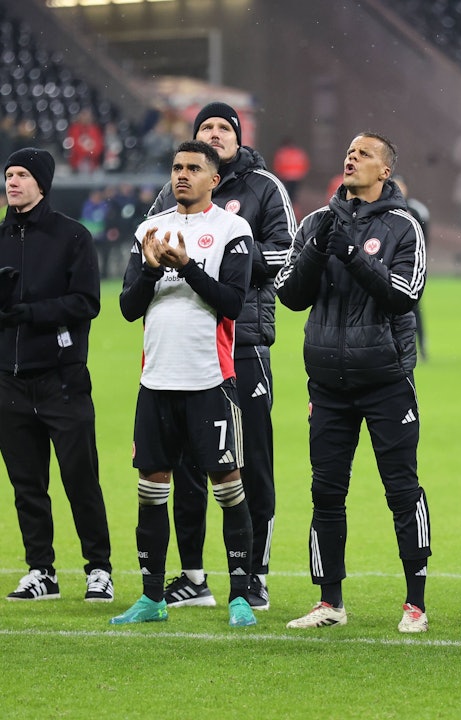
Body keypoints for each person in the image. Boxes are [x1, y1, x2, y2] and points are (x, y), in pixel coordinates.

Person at [276, 132, 431, 633]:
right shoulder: (316, 222)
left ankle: (415, 604)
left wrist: (352, 254)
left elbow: (403, 295)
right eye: (349, 151)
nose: (352, 157)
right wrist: (318, 250)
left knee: (401, 490)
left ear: (385, 170)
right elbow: (290, 295)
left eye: (364, 154)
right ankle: (330, 602)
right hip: (327, 383)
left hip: (386, 379)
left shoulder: (404, 225)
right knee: (325, 492)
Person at [149, 102, 295, 611]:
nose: (214, 133)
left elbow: (286, 254)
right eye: (205, 127)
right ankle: (193, 576)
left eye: (223, 127)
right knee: (186, 464)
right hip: (182, 348)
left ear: (238, 137)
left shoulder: (265, 188)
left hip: (244, 342)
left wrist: (224, 256)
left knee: (250, 461)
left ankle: (255, 575)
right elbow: (149, 247)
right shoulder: (171, 192)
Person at [113, 140, 256, 627]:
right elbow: (128, 307)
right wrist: (152, 270)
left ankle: (240, 598)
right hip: (156, 380)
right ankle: (152, 598)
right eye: (177, 167)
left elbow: (232, 303)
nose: (182, 174)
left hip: (210, 379)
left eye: (194, 168)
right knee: (151, 487)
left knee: (228, 485)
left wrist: (186, 267)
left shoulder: (233, 230)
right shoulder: (149, 230)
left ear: (214, 179)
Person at [0, 148, 113, 603]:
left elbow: (87, 302)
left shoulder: (72, 236)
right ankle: (40, 571)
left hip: (61, 378)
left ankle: (99, 569)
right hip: (8, 380)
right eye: (8, 174)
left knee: (80, 479)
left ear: (42, 184)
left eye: (22, 175)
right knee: (27, 485)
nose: (12, 182)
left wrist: (28, 313)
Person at [394, 175, 430, 361]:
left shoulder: (417, 210)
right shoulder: (383, 209)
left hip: (411, 267)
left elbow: (425, 239)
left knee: (414, 308)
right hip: (388, 268)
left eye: (401, 186)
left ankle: (421, 347)